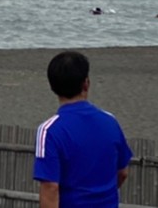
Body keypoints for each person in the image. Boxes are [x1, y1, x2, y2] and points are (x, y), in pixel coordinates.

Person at [33, 50, 131, 208]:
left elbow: (50, 187)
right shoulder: (110, 121)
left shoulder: (49, 130)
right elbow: (123, 172)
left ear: (52, 86)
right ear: (86, 83)